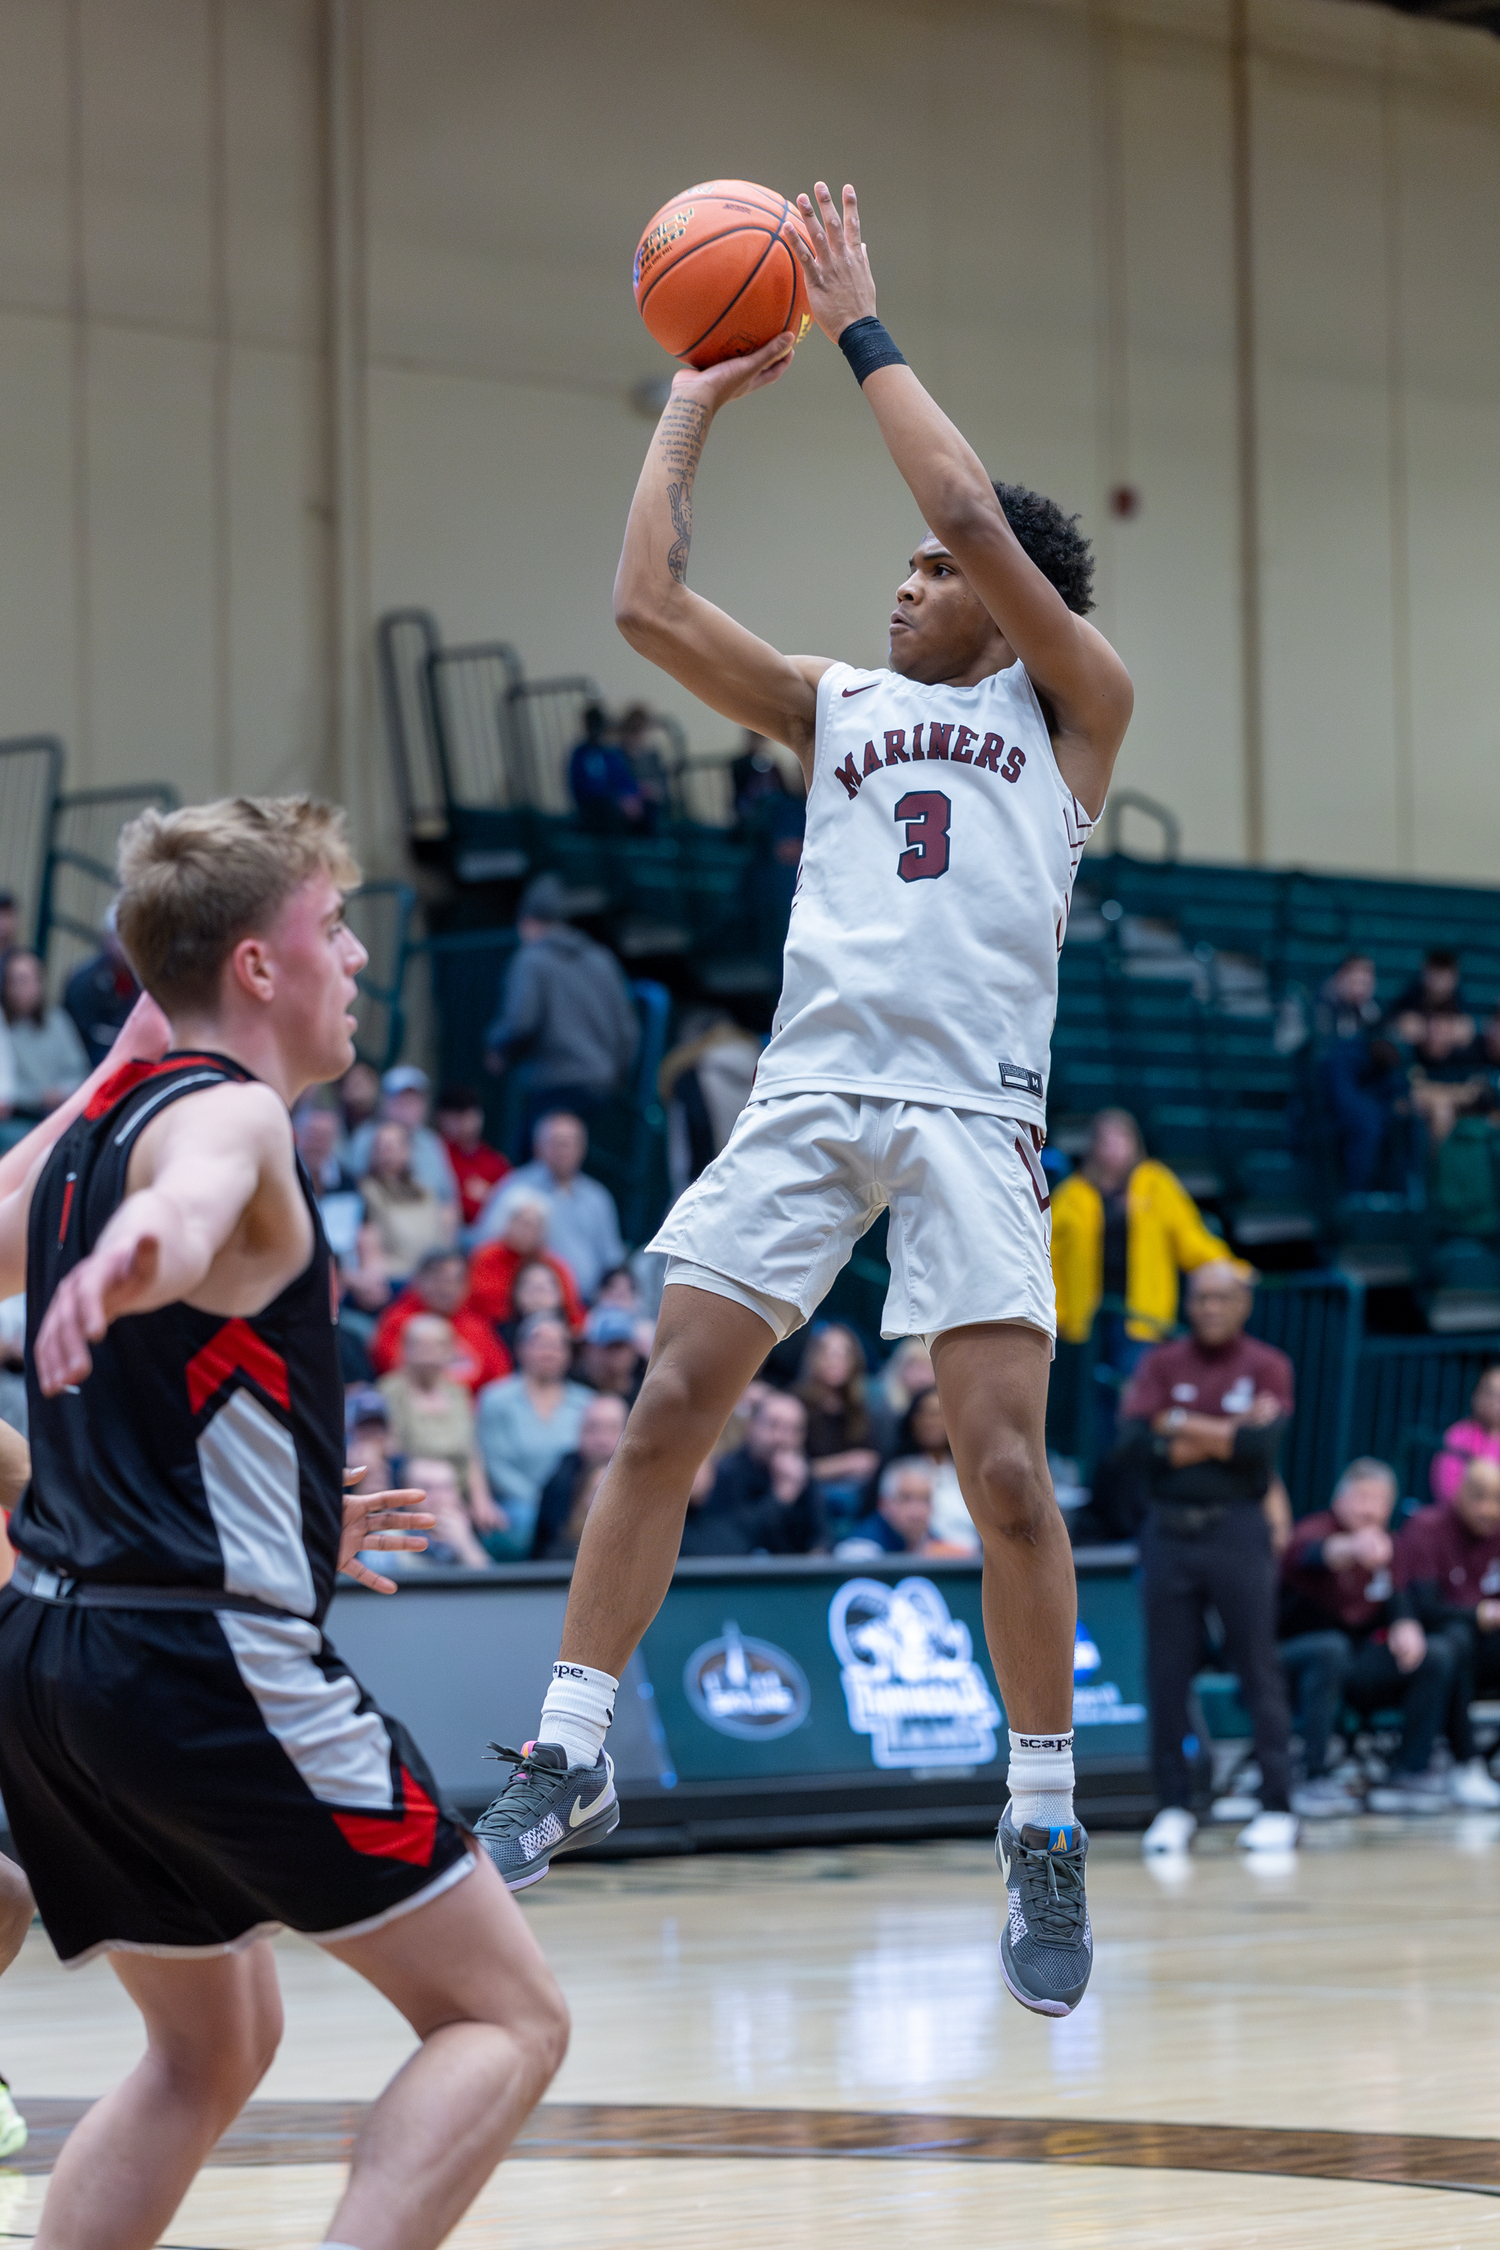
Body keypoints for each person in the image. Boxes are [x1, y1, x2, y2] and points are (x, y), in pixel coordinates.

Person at [475, 180, 1132, 2019]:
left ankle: (1041, 1815)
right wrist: (693, 393)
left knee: (1001, 1469)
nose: (909, 580)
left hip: (972, 1112)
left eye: (939, 578)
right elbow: (642, 604)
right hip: (813, 1090)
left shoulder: (1072, 707)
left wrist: (856, 321)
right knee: (668, 1404)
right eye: (912, 576)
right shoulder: (834, 704)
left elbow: (958, 506)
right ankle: (572, 1747)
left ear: (1011, 610)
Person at [0, 795, 567, 2250]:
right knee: (506, 2016)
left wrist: (281, 1522)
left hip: (57, 1668)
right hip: (204, 1667)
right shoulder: (233, 1114)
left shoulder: (80, 1139)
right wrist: (148, 1246)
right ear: (258, 965)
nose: (361, 957)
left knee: (212, 2040)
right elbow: (192, 1204)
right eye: (335, 926)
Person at [1117, 1262, 1299, 1857]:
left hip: (1238, 1530)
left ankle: (1277, 1804)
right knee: (1166, 1673)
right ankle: (1173, 1805)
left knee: (1256, 1662)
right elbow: (1136, 1447)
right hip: (1168, 1532)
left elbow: (1258, 1450)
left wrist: (1180, 1428)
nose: (1210, 1308)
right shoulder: (1161, 1362)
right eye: (1200, 1298)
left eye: (1223, 1298)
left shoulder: (1268, 1364)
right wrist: (1223, 1432)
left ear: (1244, 1304)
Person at [1050, 1111, 1237, 1451]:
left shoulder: (1156, 1183)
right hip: (1086, 1319)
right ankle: (1096, 1483)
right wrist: (1057, 1311)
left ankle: (1130, 1479)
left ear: (1135, 1143)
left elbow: (1189, 1237)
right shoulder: (1073, 1193)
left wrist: (1228, 1266)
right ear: (1094, 1147)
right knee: (1090, 1407)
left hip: (1140, 1319)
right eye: (1106, 1140)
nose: (1114, 1149)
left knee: (1134, 1405)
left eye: (1122, 1139)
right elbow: (1051, 1258)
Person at [1278, 1458, 1456, 1816]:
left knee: (1435, 1653)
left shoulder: (1389, 1548)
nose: (1369, 1509)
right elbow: (1313, 1554)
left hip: (1354, 1661)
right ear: (1339, 1499)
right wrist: (1350, 1549)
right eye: (1361, 1497)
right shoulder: (1313, 1530)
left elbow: (1397, 1599)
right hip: (1292, 1660)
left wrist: (1406, 1625)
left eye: (1379, 1500)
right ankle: (1312, 1776)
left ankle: (1410, 1771)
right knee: (1331, 1648)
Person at [483, 874, 641, 1141]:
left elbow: (520, 1021)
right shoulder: (602, 958)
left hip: (553, 1085)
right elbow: (629, 1031)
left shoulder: (531, 959)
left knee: (531, 1166)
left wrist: (498, 1048)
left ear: (527, 922)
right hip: (602, 1088)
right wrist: (616, 1076)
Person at [1395, 1456, 1500, 1808]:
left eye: (1498, 1499)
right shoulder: (1426, 1528)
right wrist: (1477, 1615)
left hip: (1488, 1647)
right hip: (1429, 1646)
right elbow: (1422, 1608)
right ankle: (1465, 1763)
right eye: (1481, 1497)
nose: (1490, 1510)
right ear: (1459, 1494)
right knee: (1455, 1641)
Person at [476, 1313, 593, 1560]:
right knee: (522, 1526)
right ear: (521, 1348)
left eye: (557, 1345)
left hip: (574, 1501)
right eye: (540, 1344)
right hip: (516, 1503)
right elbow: (495, 1463)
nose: (549, 1352)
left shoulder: (587, 1402)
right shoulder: (496, 1399)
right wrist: (543, 1503)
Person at [379, 1315, 504, 1541]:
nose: (428, 1353)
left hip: (460, 1492)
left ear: (450, 1350)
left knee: (507, 1532)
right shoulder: (390, 1391)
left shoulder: (458, 1391)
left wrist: (481, 1500)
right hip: (415, 1493)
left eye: (436, 1345)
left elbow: (471, 1450)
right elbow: (391, 1450)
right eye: (420, 1345)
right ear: (405, 1349)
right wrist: (440, 1496)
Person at [476, 1111, 624, 1300]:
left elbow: (612, 1259)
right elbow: (485, 1243)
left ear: (582, 1148)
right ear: (538, 1147)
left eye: (570, 1142)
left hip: (588, 1306)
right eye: (555, 1142)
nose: (563, 1150)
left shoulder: (598, 1197)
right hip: (525, 1304)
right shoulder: (515, 1186)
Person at [693, 1390, 826, 1557]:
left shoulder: (801, 1472)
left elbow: (821, 1537)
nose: (782, 1438)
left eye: (794, 1430)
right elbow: (733, 1540)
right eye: (773, 1425)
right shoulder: (725, 1472)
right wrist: (781, 1497)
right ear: (751, 1426)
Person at [370, 1247, 512, 1394]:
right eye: (440, 1280)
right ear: (419, 1280)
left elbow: (500, 1375)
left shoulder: (475, 1324)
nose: (448, 1289)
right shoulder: (397, 1322)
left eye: (456, 1280)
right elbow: (397, 1370)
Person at [659, 1009, 764, 1200]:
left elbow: (688, 1157)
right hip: (753, 1185)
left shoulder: (690, 1075)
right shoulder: (760, 1066)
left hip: (707, 1191)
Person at [795, 1322, 882, 1532]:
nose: (835, 1360)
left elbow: (875, 1458)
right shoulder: (796, 1403)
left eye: (843, 1353)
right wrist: (845, 1464)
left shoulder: (863, 1406)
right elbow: (793, 1469)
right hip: (808, 1501)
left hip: (860, 1499)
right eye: (827, 1352)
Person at [468, 1191, 585, 1336]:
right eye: (522, 1223)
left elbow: (571, 1311)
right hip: (494, 1330)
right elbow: (481, 1304)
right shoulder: (487, 1257)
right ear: (508, 1223)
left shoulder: (554, 1265)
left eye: (533, 1226)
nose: (526, 1231)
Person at [531, 1393, 629, 1562]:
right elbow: (545, 1549)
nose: (602, 1440)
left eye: (612, 1429)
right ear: (579, 1433)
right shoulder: (560, 1479)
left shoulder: (648, 1478)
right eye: (593, 1429)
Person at [349, 1064, 460, 1213]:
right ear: (385, 1102)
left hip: (426, 1223)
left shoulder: (431, 1141)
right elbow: (355, 1190)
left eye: (414, 1100)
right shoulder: (366, 1136)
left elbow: (449, 1197)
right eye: (401, 1100)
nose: (408, 1107)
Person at [358, 1119, 456, 1285]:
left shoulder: (426, 1192)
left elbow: (440, 1240)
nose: (387, 1151)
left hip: (431, 1278)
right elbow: (367, 1245)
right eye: (381, 1146)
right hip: (393, 1279)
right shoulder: (364, 1191)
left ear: (408, 1150)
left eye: (394, 1145)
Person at [2, 949, 89, 1118]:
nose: (19, 989)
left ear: (40, 982)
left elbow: (79, 1071)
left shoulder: (58, 1020)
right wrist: (37, 1097)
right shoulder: (3, 1026)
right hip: (18, 1115)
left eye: (25, 980)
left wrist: (60, 1091)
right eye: (13, 982)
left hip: (60, 1111)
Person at [894, 1384, 979, 1553]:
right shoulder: (897, 1470)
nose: (931, 1421)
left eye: (938, 1414)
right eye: (924, 1414)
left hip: (975, 1565)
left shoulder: (973, 1471)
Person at [835, 1457, 971, 1560]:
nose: (917, 1512)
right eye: (905, 1499)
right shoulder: (858, 1551)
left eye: (925, 1500)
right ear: (884, 1504)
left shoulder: (937, 1543)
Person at [62, 906, 141, 1067]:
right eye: (118, 937)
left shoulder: (143, 980)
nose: (123, 947)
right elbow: (75, 1038)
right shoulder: (83, 981)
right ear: (106, 937)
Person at [434, 1083, 511, 1229]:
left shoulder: (494, 1160)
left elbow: (510, 1202)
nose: (466, 1123)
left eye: (471, 1114)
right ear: (442, 1118)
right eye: (457, 1116)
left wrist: (490, 1195)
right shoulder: (436, 1151)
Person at [400, 1456, 495, 1572]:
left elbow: (489, 1584)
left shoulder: (483, 1533)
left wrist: (465, 1545)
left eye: (445, 1488)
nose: (438, 1498)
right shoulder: (392, 1540)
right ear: (405, 1496)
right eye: (426, 1488)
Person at [568, 703, 649, 833]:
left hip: (618, 805)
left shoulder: (611, 754)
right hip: (596, 809)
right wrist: (618, 800)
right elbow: (585, 789)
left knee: (647, 806)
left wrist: (631, 795)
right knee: (609, 810)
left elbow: (625, 780)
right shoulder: (581, 755)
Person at [1432, 1364, 1500, 1503]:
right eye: (1491, 1393)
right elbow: (1447, 1488)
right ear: (1477, 1396)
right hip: (1462, 1515)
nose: (1496, 1402)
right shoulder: (1459, 1435)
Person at [576, 1305, 644, 1403]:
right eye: (609, 1347)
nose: (617, 1354)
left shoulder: (647, 1392)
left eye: (622, 1345)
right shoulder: (573, 1390)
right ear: (589, 1350)